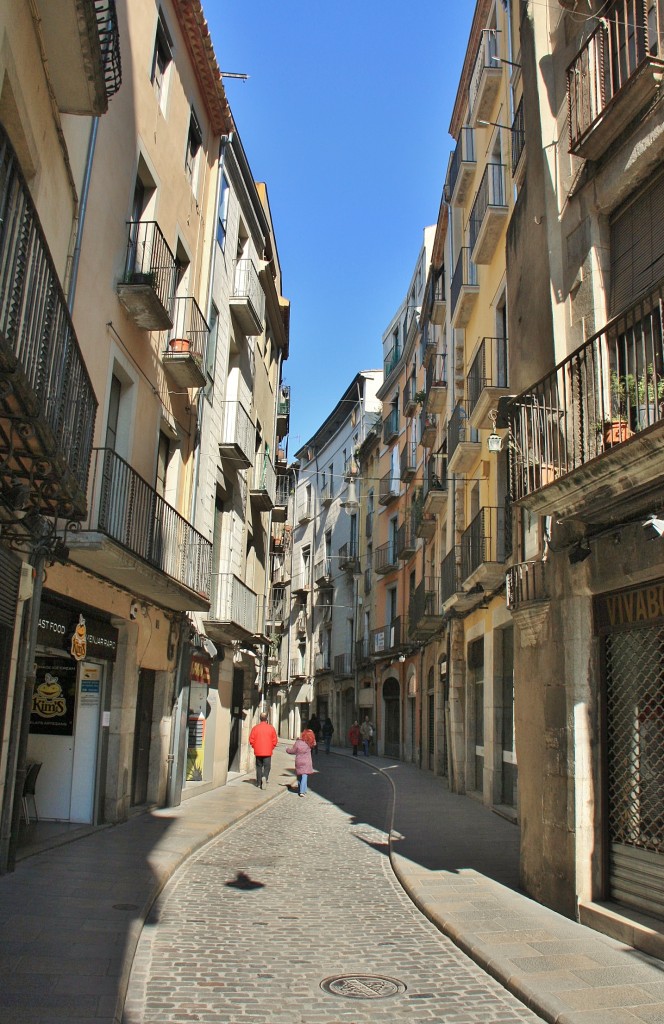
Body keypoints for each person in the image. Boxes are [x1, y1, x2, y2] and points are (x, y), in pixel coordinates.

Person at [248, 711, 278, 789]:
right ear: (266, 718)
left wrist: (255, 746)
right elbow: (275, 740)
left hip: (258, 751)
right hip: (267, 751)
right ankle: (265, 776)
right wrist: (271, 747)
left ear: (260, 718)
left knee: (258, 767)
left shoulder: (255, 728)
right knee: (267, 766)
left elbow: (251, 740)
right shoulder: (271, 728)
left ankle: (258, 783)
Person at [286, 730, 314, 796]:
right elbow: (314, 743)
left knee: (299, 775)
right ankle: (302, 791)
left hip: (299, 761)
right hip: (307, 762)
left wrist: (287, 749)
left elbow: (292, 751)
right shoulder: (310, 743)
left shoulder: (298, 742)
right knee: (304, 775)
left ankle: (301, 789)